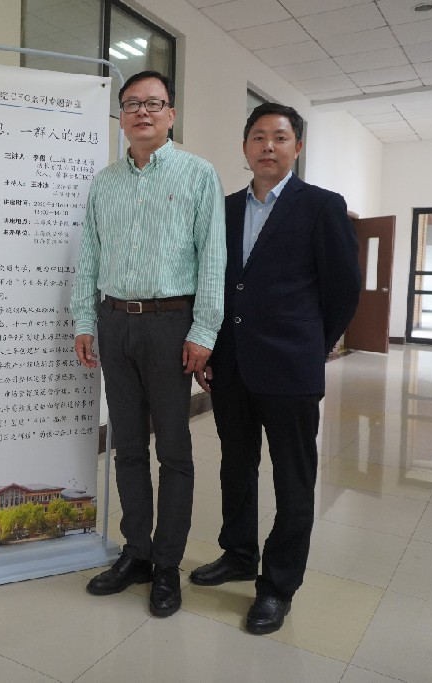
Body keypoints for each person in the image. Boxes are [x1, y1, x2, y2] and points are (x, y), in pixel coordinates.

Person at [189, 102, 361, 635]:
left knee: (293, 478)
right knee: (235, 466)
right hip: (231, 365)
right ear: (244, 147)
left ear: (297, 147)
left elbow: (343, 289)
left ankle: (278, 585)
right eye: (258, 136)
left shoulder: (322, 206)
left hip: (291, 368)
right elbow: (213, 283)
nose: (268, 146)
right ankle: (239, 553)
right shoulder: (224, 209)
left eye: (280, 137)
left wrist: (313, 346)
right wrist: (211, 348)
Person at [70, 70, 225, 617]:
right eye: (132, 103)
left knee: (174, 450)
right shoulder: (105, 182)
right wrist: (83, 321)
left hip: (169, 323)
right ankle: (136, 551)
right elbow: (89, 254)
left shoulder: (198, 174)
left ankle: (166, 564)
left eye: (153, 104)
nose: (142, 112)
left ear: (171, 115)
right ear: (121, 116)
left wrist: (203, 331)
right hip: (115, 322)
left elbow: (213, 258)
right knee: (128, 446)